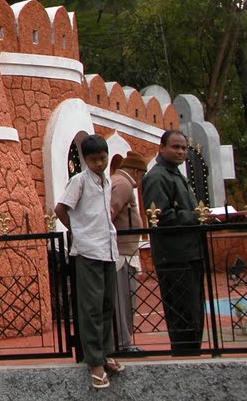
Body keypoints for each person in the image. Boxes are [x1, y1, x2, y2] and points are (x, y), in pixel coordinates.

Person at [54, 134, 124, 389]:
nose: (99, 163)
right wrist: (78, 230)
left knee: (107, 305)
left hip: (107, 250)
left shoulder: (106, 182)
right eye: (93, 159)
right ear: (85, 159)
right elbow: (60, 209)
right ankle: (94, 360)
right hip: (88, 251)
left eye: (102, 158)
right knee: (91, 307)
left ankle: (105, 353)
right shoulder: (80, 181)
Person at [142, 129, 206, 355]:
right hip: (175, 257)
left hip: (191, 253)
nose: (181, 151)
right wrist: (196, 217)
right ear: (162, 148)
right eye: (176, 147)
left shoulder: (177, 175)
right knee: (182, 314)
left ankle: (192, 355)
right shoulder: (157, 177)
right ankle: (184, 357)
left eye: (184, 148)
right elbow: (160, 217)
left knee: (195, 313)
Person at [110, 150, 149, 353]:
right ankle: (123, 343)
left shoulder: (118, 181)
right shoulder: (123, 184)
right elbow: (109, 212)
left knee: (125, 298)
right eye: (141, 174)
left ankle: (122, 341)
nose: (141, 180)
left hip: (125, 251)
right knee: (124, 299)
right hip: (122, 252)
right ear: (136, 171)